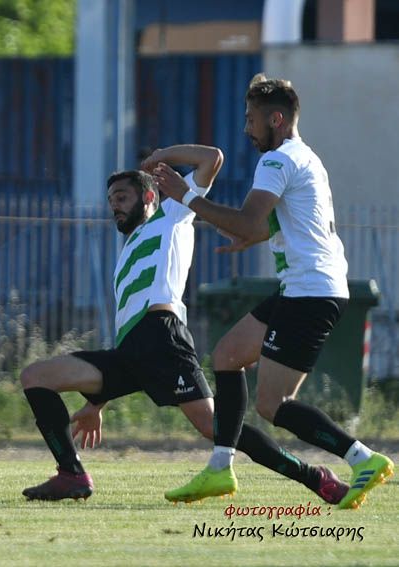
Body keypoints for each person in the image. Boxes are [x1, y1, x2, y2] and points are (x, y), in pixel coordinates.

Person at [20, 144, 350, 505]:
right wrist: (96, 404)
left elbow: (213, 158)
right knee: (36, 376)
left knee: (216, 428)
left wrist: (161, 156)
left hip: (163, 339)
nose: (115, 205)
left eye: (122, 197)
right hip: (129, 351)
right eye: (111, 200)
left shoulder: (171, 214)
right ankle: (71, 473)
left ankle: (315, 478)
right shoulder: (127, 249)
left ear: (149, 196)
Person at [155, 74, 393, 510]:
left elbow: (249, 220)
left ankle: (363, 458)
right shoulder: (306, 157)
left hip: (309, 292)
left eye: (251, 119)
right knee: (227, 356)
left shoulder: (277, 160)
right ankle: (220, 467)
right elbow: (282, 223)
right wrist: (253, 236)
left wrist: (186, 196)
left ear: (276, 119)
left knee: (274, 404)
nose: (247, 128)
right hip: (305, 288)